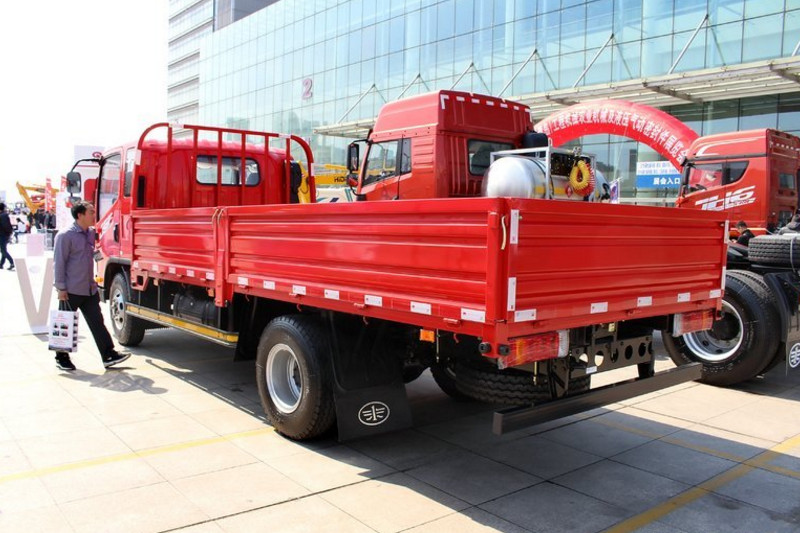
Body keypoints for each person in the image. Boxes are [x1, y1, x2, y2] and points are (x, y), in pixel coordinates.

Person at [53, 201, 129, 371]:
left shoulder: (91, 233)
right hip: (71, 290)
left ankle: (108, 354)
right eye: (91, 212)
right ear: (80, 215)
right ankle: (61, 358)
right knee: (65, 324)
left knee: (97, 323)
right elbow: (59, 263)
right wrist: (60, 288)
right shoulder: (65, 236)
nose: (94, 215)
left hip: (89, 289)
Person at [0, 203, 15, 271]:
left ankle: (11, 262)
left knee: (3, 250)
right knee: (3, 250)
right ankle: (1, 264)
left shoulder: (3, 215)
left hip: (3, 235)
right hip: (4, 234)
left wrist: (8, 233)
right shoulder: (3, 215)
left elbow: (5, 225)